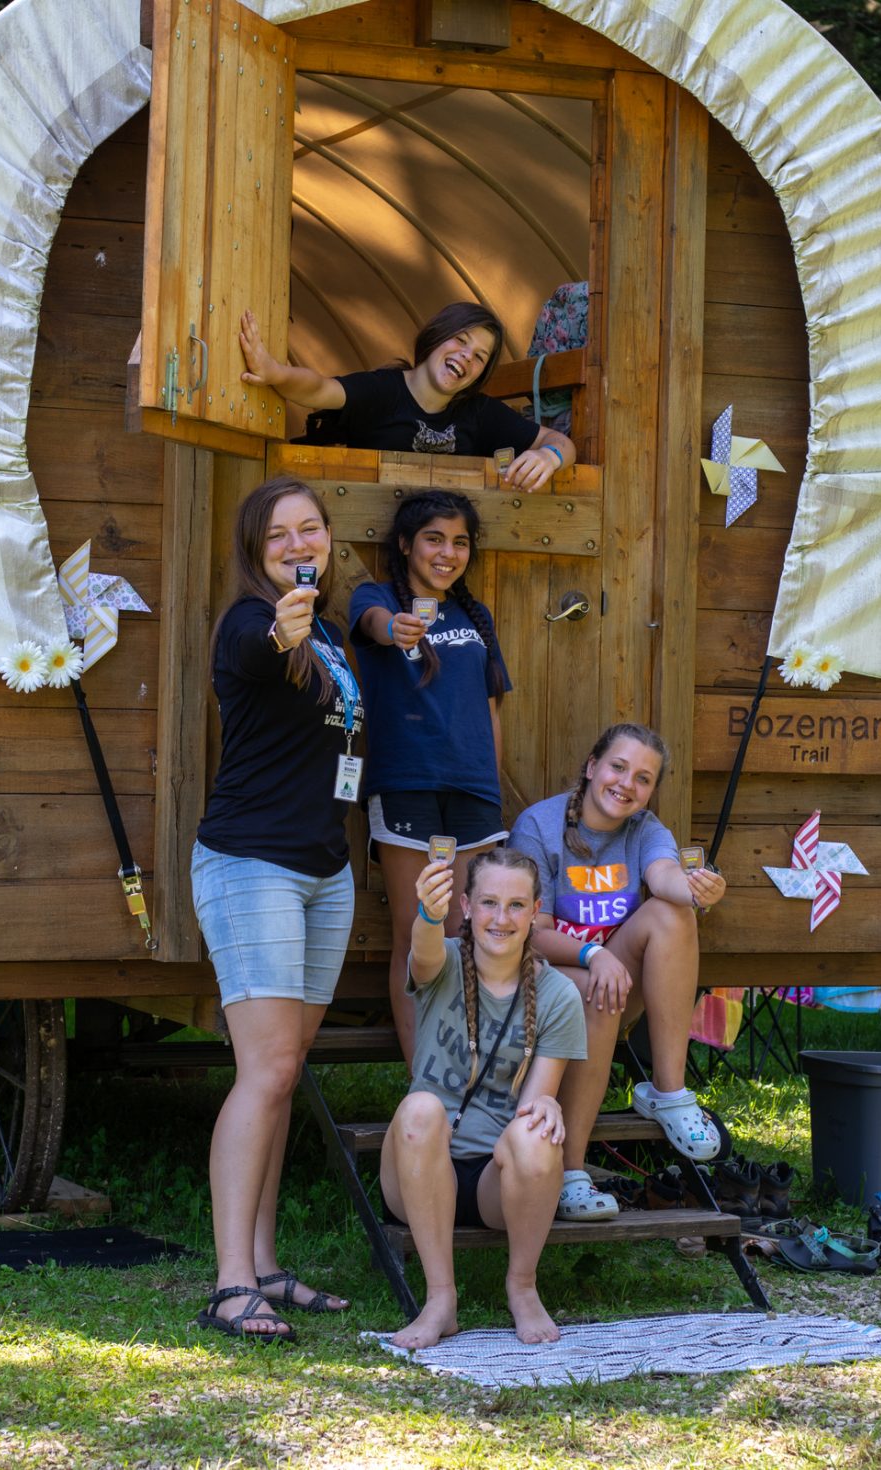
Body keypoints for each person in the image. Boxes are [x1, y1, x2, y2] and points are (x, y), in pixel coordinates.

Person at [191, 475, 364, 1340]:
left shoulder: (330, 634)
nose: (299, 545)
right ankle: (230, 1285)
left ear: (328, 538)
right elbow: (263, 647)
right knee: (264, 1071)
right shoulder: (249, 624)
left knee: (282, 1073)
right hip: (251, 866)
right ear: (259, 555)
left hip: (324, 874)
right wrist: (280, 620)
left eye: (311, 530)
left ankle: (263, 1263)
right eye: (278, 538)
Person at [508, 723, 727, 1222]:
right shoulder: (538, 827)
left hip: (611, 983)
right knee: (594, 991)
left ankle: (668, 1094)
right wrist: (592, 955)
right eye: (618, 767)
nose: (628, 784)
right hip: (543, 987)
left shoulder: (646, 830)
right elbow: (530, 933)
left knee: (674, 914)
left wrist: (694, 887)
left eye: (644, 778)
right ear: (591, 767)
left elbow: (663, 875)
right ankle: (569, 1172)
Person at [380, 848, 587, 1349]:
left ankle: (522, 1286)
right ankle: (440, 1299)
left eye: (516, 905)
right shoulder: (445, 961)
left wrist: (548, 1107)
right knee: (421, 1108)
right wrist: (430, 912)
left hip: (497, 1182)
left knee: (538, 1130)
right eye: (489, 902)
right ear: (467, 907)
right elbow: (424, 950)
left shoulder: (557, 995)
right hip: (418, 1168)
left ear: (535, 911)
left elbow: (533, 1104)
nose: (502, 917)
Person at [349, 489, 510, 1065]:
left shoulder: (474, 615)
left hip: (474, 793)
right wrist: (393, 627)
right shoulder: (376, 598)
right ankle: (426, 1078)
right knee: (417, 929)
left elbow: (490, 706)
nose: (448, 552)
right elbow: (369, 624)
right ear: (405, 544)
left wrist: (492, 785)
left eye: (460, 541)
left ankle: (469, 1068)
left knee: (469, 933)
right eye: (434, 539)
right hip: (407, 784)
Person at [239, 301, 575, 492]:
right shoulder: (384, 390)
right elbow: (317, 387)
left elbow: (560, 441)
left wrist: (550, 457)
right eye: (460, 340)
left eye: (480, 356)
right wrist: (274, 372)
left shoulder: (479, 412)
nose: (466, 357)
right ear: (436, 336)